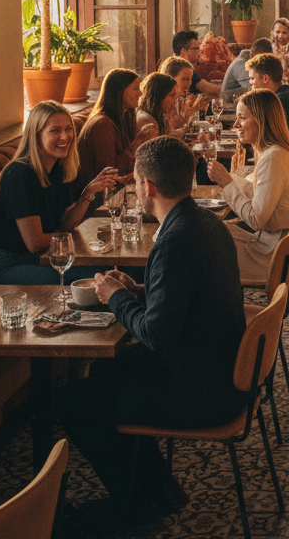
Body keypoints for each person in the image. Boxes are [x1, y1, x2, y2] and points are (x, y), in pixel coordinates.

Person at [59, 136, 247, 529]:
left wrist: (114, 298)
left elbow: (157, 335)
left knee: (72, 402)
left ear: (147, 186)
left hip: (200, 393)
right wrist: (138, 290)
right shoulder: (206, 223)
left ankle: (136, 510)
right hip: (222, 373)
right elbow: (185, 294)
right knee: (106, 372)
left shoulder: (175, 240)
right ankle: (155, 488)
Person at [0, 102, 118, 284]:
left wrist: (88, 193)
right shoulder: (21, 174)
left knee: (105, 272)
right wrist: (64, 237)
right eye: (55, 131)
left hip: (40, 257)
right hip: (3, 265)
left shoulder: (58, 168)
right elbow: (35, 243)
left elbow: (67, 224)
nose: (65, 136)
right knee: (91, 279)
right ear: (36, 136)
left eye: (68, 129)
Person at [207, 89, 289, 278]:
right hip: (282, 246)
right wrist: (232, 179)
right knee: (209, 230)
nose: (236, 124)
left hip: (276, 255)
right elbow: (261, 193)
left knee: (205, 239)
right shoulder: (276, 151)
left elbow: (256, 219)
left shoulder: (274, 157)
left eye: (242, 118)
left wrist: (227, 183)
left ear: (262, 121)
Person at [244, 52, 289, 173]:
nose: (250, 83)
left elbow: (264, 139)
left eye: (252, 78)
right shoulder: (288, 92)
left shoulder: (281, 101)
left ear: (265, 78)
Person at [76, 68, 154, 182]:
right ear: (119, 91)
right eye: (135, 88)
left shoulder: (124, 118)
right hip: (95, 196)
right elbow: (108, 173)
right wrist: (138, 142)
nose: (141, 93)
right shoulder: (102, 125)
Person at [160, 55, 211, 131]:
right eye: (185, 79)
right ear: (170, 78)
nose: (189, 84)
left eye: (190, 80)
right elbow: (171, 127)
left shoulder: (181, 99)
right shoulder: (164, 100)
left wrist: (198, 107)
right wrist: (190, 112)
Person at [172, 29, 221, 95]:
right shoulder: (182, 68)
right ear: (184, 51)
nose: (200, 52)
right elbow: (211, 89)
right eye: (196, 49)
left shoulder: (175, 64)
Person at [136, 71, 179, 138]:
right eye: (172, 95)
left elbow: (173, 135)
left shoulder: (158, 115)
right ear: (159, 95)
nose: (175, 100)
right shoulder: (147, 121)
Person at [270, 17, 289, 87]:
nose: (280, 36)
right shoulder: (268, 47)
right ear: (272, 32)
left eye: (284, 33)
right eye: (278, 32)